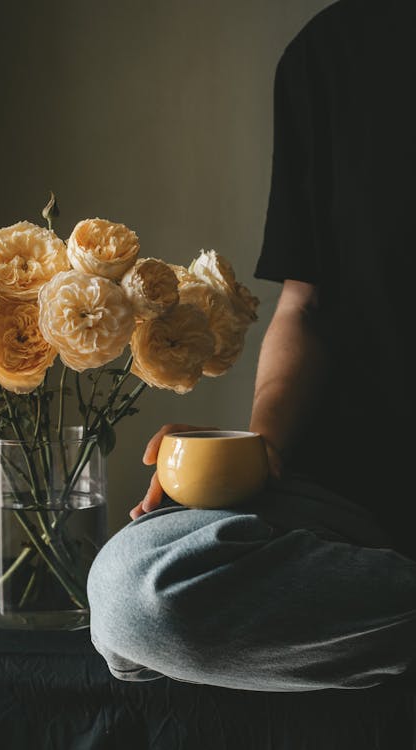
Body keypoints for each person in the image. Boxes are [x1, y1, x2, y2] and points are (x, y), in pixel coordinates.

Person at [87, 0, 416, 692]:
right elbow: (307, 303)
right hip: (355, 512)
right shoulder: (327, 55)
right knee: (133, 593)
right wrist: (256, 448)